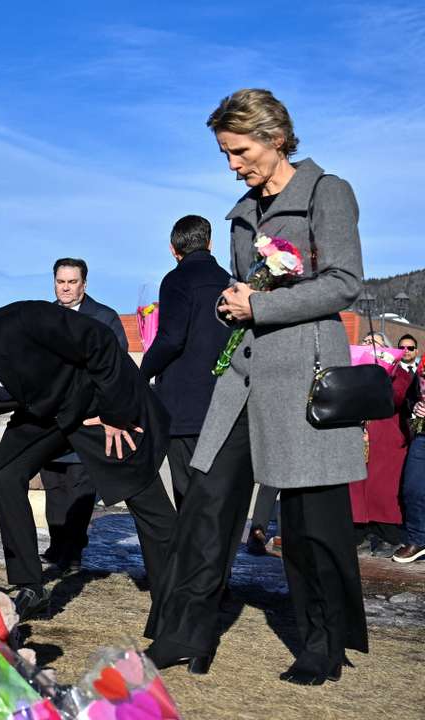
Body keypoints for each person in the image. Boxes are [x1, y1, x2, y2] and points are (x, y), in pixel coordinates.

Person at [149, 89, 367, 684]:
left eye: (239, 151)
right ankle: (182, 636)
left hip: (304, 374)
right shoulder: (244, 211)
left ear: (275, 138)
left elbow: (345, 283)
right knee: (206, 502)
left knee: (310, 523)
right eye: (224, 153)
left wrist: (262, 307)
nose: (232, 165)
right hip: (243, 376)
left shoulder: (327, 192)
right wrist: (234, 305)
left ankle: (323, 647)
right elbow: (252, 292)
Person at [0, 308, 176, 619]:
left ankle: (178, 604)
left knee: (141, 494)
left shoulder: (19, 323)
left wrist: (116, 411)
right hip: (45, 414)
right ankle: (30, 585)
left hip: (96, 403)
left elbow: (99, 340)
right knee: (4, 472)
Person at [40, 259, 128, 573]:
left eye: (72, 282)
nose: (65, 287)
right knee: (54, 484)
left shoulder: (104, 318)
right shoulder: (44, 316)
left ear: (84, 284)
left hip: (89, 418)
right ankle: (56, 544)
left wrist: (106, 413)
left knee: (79, 484)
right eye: (60, 281)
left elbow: (118, 371)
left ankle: (73, 551)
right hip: (50, 418)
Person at [139, 217, 233, 508]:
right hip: (224, 402)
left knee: (187, 491)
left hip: (184, 405)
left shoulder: (176, 280)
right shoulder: (230, 282)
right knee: (216, 493)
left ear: (172, 249)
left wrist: (144, 372)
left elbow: (171, 339)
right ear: (210, 243)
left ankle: (190, 552)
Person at [350, 332, 412, 556]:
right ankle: (360, 535)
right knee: (357, 488)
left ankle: (388, 536)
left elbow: (396, 398)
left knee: (382, 489)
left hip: (386, 438)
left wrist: (384, 373)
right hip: (359, 434)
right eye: (365, 342)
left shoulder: (401, 373)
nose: (368, 345)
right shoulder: (353, 370)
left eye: (374, 342)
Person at [393, 365, 425, 563]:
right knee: (412, 489)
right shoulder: (422, 364)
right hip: (423, 438)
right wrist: (414, 406)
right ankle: (418, 540)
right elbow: (410, 397)